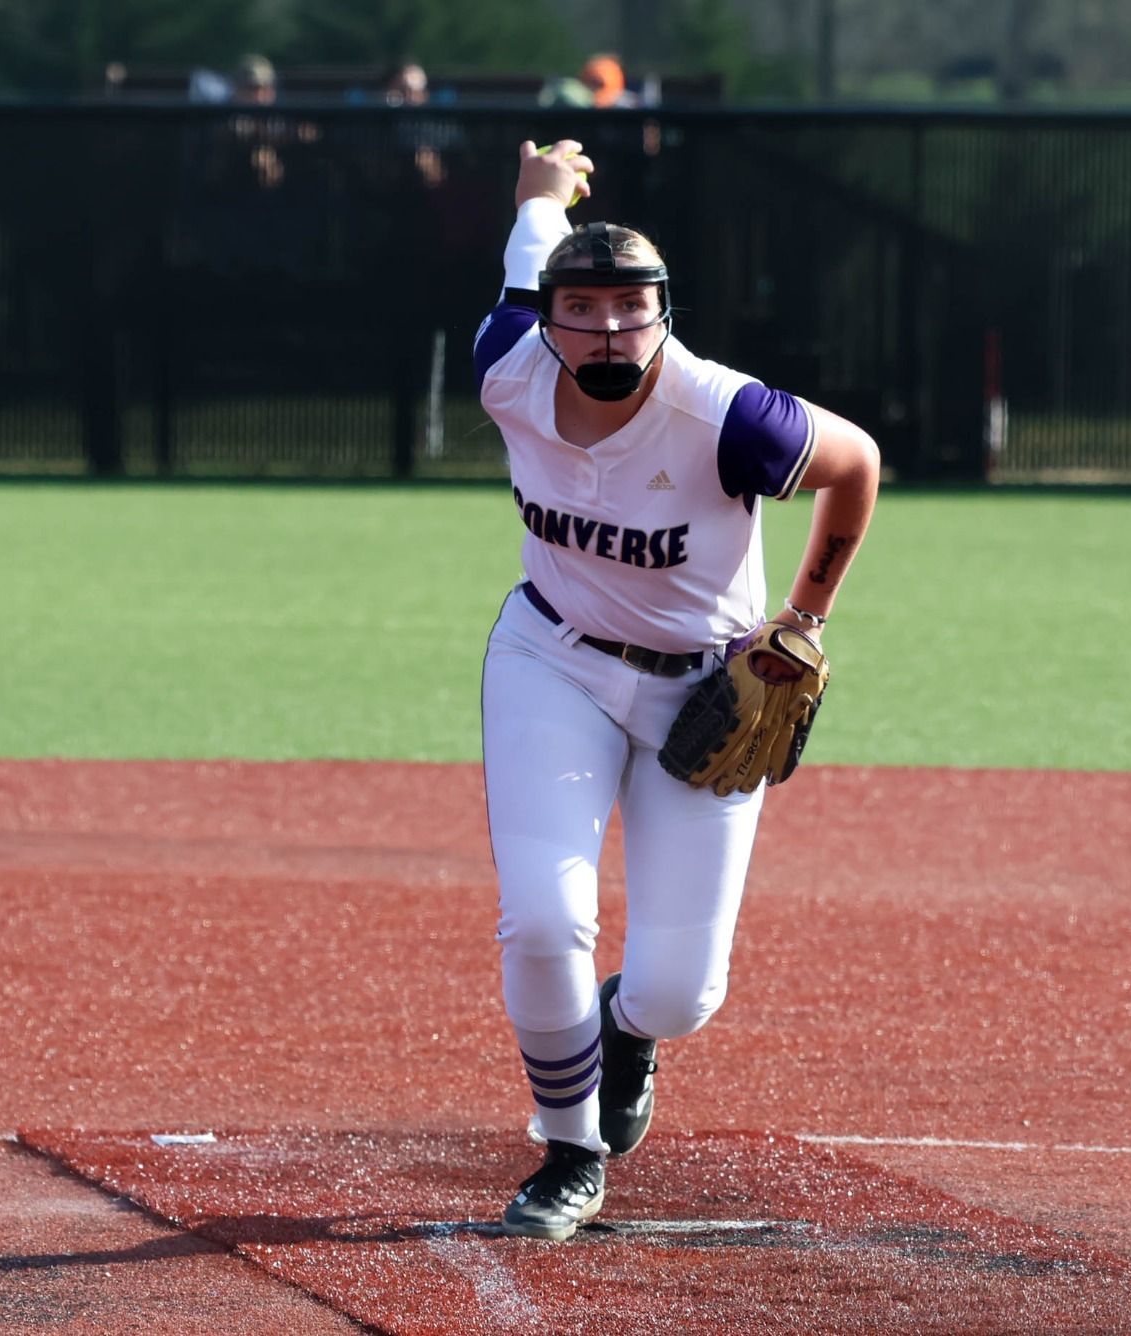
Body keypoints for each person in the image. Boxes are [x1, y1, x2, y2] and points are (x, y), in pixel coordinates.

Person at [474, 140, 879, 1239]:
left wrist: (802, 617)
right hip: (548, 663)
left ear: (663, 313)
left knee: (678, 993)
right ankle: (567, 1150)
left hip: (700, 693)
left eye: (631, 308)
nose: (606, 329)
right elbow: (529, 242)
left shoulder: (726, 416)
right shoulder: (506, 360)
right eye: (584, 308)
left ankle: (627, 1029)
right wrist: (544, 188)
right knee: (544, 920)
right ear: (547, 318)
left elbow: (856, 464)